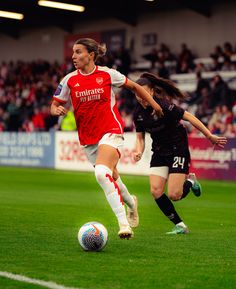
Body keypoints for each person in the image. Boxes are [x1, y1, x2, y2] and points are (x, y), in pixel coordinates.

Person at [50, 38, 163, 239]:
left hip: (110, 130)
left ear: (91, 55)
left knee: (102, 173)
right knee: (112, 175)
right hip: (88, 137)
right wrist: (56, 109)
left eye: (78, 52)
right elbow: (55, 103)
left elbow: (136, 87)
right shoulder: (68, 80)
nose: (73, 56)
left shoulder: (108, 74)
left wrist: (154, 104)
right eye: (73, 53)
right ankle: (131, 203)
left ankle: (123, 224)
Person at [133, 72, 227, 234]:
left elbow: (189, 117)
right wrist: (138, 151)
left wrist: (209, 135)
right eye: (137, 94)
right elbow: (140, 138)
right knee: (156, 191)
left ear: (152, 92)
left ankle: (190, 182)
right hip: (159, 151)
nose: (141, 97)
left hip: (178, 148)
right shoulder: (138, 114)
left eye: (144, 93)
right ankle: (180, 225)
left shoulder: (164, 106)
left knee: (174, 194)